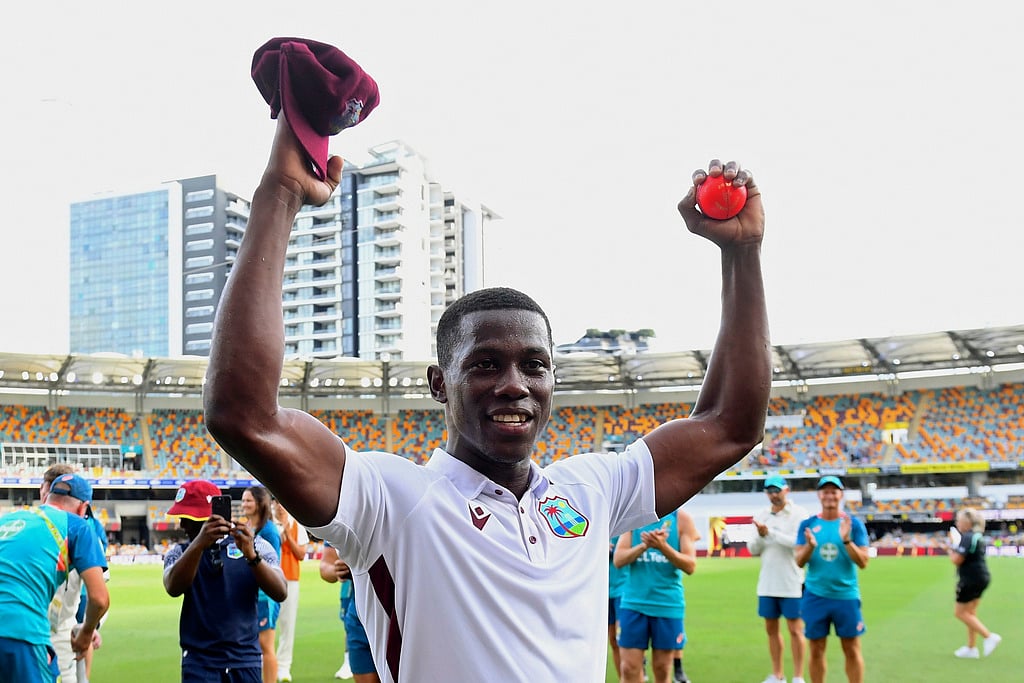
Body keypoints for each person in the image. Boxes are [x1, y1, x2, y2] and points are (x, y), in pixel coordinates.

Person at [203, 92, 770, 679]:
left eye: (534, 365)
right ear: (437, 384)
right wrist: (282, 193)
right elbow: (245, 416)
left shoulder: (592, 491)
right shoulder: (391, 501)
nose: (514, 385)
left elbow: (731, 425)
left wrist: (743, 254)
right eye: (485, 365)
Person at [163, 480, 287, 683]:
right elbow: (173, 587)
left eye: (187, 517)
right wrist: (199, 544)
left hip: (245, 660)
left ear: (210, 517)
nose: (182, 524)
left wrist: (252, 556)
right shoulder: (180, 552)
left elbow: (281, 591)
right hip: (199, 662)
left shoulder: (253, 544)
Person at [0, 472, 109, 683]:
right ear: (83, 508)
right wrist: (86, 633)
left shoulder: (9, 519)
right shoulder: (77, 526)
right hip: (21, 631)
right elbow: (99, 599)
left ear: (47, 496)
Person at [794, 476, 869, 683]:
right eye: (825, 491)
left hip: (846, 596)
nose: (829, 495)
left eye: (833, 491)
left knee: (852, 649)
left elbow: (863, 562)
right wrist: (810, 546)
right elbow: (799, 562)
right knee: (816, 649)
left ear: (841, 495)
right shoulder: (808, 525)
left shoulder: (853, 524)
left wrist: (846, 540)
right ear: (819, 495)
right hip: (815, 596)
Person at [613, 509, 699, 683]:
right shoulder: (633, 516)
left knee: (662, 668)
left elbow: (690, 565)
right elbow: (618, 559)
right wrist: (644, 545)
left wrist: (663, 547)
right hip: (633, 603)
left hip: (667, 605)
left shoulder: (681, 519)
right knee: (629, 668)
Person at [40, 466, 108, 683]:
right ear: (83, 508)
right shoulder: (81, 528)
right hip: (37, 628)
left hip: (54, 626)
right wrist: (88, 629)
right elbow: (99, 597)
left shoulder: (18, 521)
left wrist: (86, 626)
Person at [747, 475, 809, 683]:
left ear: (786, 490)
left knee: (795, 630)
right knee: (771, 630)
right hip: (767, 582)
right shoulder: (762, 515)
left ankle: (798, 676)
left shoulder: (799, 514)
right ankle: (777, 674)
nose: (774, 495)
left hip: (791, 582)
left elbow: (798, 543)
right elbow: (752, 549)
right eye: (770, 491)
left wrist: (771, 533)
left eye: (777, 490)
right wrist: (762, 535)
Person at [319, 543, 380, 683]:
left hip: (397, 615)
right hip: (359, 617)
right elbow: (325, 566)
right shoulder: (343, 521)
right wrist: (337, 570)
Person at [240, 486, 283, 683]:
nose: (244, 504)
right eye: (243, 500)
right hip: (251, 592)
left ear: (260, 503)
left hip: (265, 595)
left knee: (266, 646)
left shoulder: (269, 531)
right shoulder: (248, 526)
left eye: (249, 500)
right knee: (256, 645)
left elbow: (273, 566)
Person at [949, 507, 1000, 658]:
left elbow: (957, 560)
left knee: (960, 613)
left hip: (971, 579)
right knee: (970, 613)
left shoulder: (968, 537)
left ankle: (988, 637)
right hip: (981, 577)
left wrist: (952, 547)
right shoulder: (976, 536)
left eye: (959, 520)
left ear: (967, 522)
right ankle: (971, 648)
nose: (957, 522)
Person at [273, 501, 308, 682]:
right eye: (276, 502)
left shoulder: (297, 524)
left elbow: (301, 554)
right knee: (265, 624)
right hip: (268, 578)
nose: (279, 506)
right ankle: (267, 662)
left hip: (290, 578)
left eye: (282, 502)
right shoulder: (268, 522)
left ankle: (284, 667)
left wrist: (287, 530)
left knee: (288, 625)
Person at [608, 535, 627, 680]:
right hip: (602, 592)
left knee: (623, 639)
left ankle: (635, 666)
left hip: (623, 589)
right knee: (613, 640)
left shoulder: (625, 527)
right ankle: (623, 678)